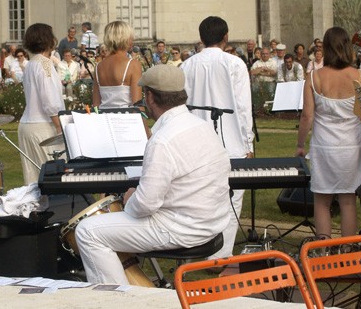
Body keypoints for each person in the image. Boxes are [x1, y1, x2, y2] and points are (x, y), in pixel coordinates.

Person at [75, 64, 230, 285]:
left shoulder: (162, 139)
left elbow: (144, 206)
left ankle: (119, 300)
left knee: (87, 231)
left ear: (149, 97)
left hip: (183, 228)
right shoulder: (201, 125)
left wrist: (130, 197)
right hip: (211, 221)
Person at [180, 16, 253, 270]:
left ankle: (201, 250)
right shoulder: (234, 64)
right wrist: (248, 142)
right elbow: (243, 106)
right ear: (226, 37)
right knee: (231, 198)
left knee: (200, 196)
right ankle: (220, 254)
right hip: (230, 141)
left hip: (195, 142)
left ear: (201, 38)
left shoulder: (187, 66)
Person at [295, 26, 361, 240]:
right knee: (347, 200)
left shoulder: (314, 77)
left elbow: (307, 116)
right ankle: (346, 250)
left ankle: (323, 249)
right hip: (352, 146)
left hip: (324, 146)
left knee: (322, 201)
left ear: (325, 48)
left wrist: (299, 145)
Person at [17, 23, 66, 184]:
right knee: (53, 180)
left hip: (28, 125)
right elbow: (49, 99)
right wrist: (59, 127)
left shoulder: (30, 64)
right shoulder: (44, 63)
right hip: (43, 127)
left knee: (33, 182)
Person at [92, 21, 143, 109]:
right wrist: (143, 122)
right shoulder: (133, 64)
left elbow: (96, 104)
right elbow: (137, 104)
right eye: (131, 36)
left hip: (104, 119)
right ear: (125, 38)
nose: (133, 39)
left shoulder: (99, 66)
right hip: (125, 119)